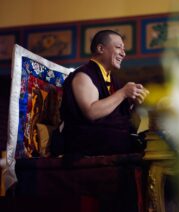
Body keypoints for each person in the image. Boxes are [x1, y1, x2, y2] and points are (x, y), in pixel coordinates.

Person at [57, 29, 149, 157]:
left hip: (107, 138)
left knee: (148, 140)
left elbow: (120, 118)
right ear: (101, 48)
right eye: (118, 47)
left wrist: (132, 101)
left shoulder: (112, 79)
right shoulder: (83, 75)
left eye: (123, 49)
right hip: (85, 143)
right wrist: (123, 93)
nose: (123, 53)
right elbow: (91, 112)